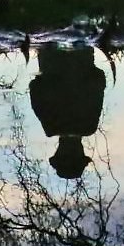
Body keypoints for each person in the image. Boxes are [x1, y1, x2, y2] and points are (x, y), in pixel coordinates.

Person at [27, 45, 106, 180]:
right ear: (58, 152)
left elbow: (98, 79)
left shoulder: (89, 126)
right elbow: (35, 87)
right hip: (50, 54)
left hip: (81, 52)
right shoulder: (51, 127)